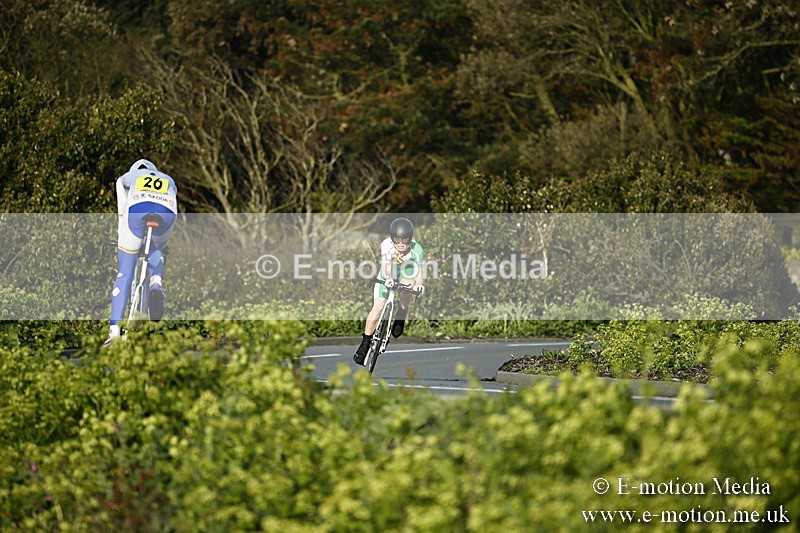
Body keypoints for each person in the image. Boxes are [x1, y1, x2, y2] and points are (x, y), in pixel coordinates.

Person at [103, 159, 178, 347]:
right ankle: (156, 284)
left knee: (125, 271)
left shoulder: (126, 179)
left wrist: (124, 239)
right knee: (158, 247)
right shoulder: (167, 178)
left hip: (137, 209)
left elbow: (122, 213)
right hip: (166, 211)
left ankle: (114, 332)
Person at [353, 217, 425, 365]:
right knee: (378, 308)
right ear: (391, 238)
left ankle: (402, 312)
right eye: (396, 240)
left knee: (409, 285)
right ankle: (365, 344)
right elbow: (386, 264)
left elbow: (419, 271)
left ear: (410, 239)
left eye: (404, 240)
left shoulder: (417, 249)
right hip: (388, 272)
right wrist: (388, 278)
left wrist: (418, 284)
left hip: (407, 272)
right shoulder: (386, 245)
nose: (400, 244)